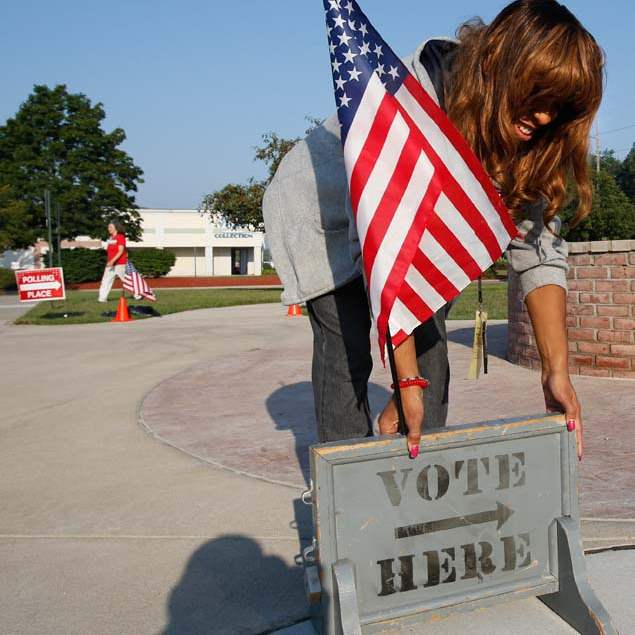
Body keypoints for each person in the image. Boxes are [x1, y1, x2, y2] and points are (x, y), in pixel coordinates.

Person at [262, 0, 603, 460]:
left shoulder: (527, 141)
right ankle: (348, 502)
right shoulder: (418, 93)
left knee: (431, 356)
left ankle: (416, 496)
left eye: (558, 107)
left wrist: (555, 370)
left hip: (414, 219)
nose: (544, 117)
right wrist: (404, 379)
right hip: (321, 207)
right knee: (347, 353)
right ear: (501, 65)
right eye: (537, 95)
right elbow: (380, 239)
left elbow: (537, 248)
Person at [98, 221, 129, 302]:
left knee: (127, 280)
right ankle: (102, 298)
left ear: (116, 228)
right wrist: (110, 262)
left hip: (120, 264)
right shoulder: (111, 238)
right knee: (106, 281)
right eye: (108, 227)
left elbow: (121, 251)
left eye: (110, 227)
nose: (109, 229)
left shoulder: (120, 237)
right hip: (110, 264)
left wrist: (112, 261)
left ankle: (138, 295)